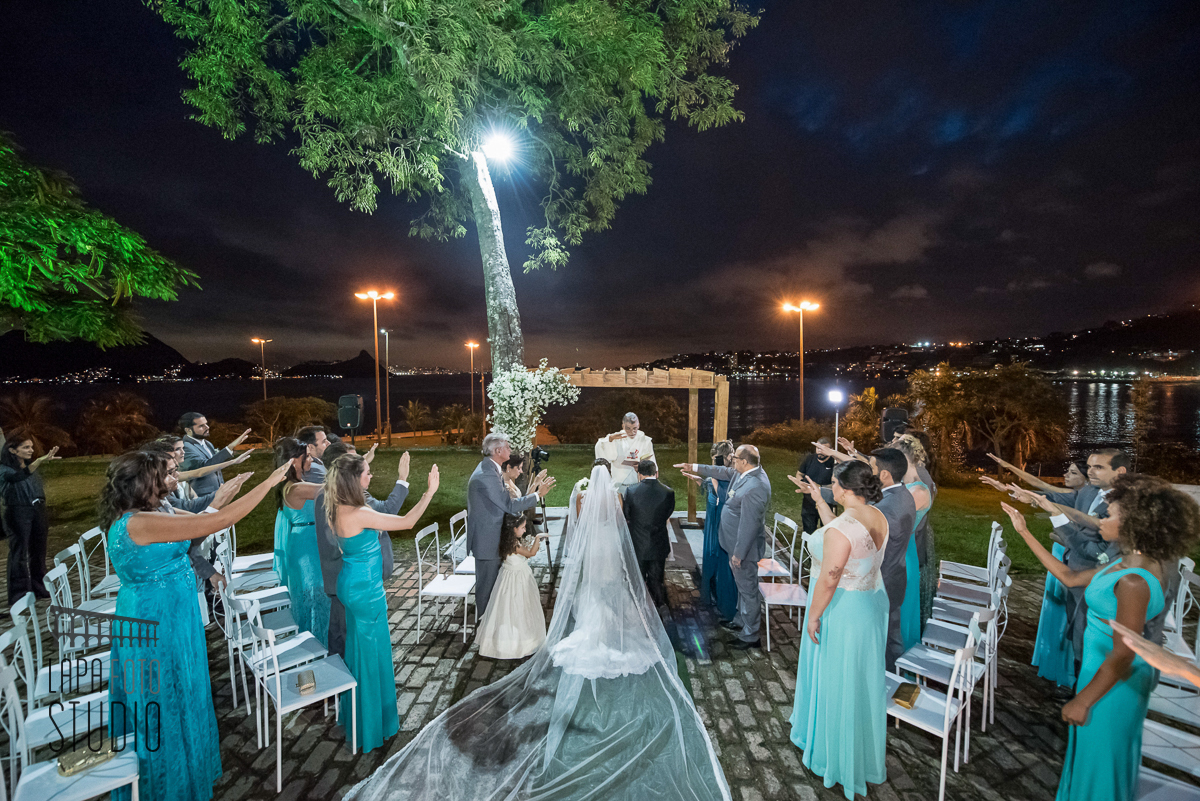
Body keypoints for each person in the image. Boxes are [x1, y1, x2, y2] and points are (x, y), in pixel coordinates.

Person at [341, 464, 730, 801]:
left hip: (590, 551)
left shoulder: (590, 498)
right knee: (609, 593)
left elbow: (581, 528)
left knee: (593, 596)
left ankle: (592, 625)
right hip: (611, 548)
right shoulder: (619, 499)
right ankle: (606, 626)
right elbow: (621, 525)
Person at [101, 449, 293, 801]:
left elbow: (199, 527)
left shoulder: (155, 513)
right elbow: (215, 522)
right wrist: (268, 483)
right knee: (163, 698)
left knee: (182, 691)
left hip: (174, 614)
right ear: (142, 484)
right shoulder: (138, 523)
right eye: (162, 476)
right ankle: (167, 788)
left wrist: (218, 500)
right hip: (154, 620)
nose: (171, 481)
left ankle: (188, 775)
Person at [1001, 475, 1200, 801]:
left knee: (1101, 765)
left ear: (1133, 524)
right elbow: (1069, 576)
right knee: (1091, 760)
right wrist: (1023, 530)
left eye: (1109, 515)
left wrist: (1083, 700)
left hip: (1113, 682)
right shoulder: (1125, 562)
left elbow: (1124, 653)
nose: (1100, 520)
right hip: (1099, 669)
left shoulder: (1134, 581)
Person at [789, 461, 889, 800]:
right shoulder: (877, 516)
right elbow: (848, 539)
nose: (829, 487)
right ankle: (859, 749)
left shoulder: (843, 528)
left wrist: (813, 616)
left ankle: (834, 756)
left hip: (842, 611)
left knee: (839, 680)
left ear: (844, 489)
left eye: (832, 484)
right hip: (869, 605)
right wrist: (819, 501)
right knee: (859, 683)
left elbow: (831, 577)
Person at [327, 453, 440, 754]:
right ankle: (373, 726)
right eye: (366, 472)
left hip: (350, 583)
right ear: (354, 479)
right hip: (365, 590)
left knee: (358, 651)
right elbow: (408, 522)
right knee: (372, 655)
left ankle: (359, 717)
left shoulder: (337, 507)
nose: (371, 475)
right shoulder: (358, 513)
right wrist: (429, 492)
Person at [981, 458, 1088, 687]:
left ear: (1085, 479)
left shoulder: (1083, 499)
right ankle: (1061, 668)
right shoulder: (1076, 496)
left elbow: (1045, 493)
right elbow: (1042, 491)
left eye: (1073, 472)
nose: (1066, 475)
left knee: (1074, 621)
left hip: (1072, 561)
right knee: (1065, 617)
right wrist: (1008, 480)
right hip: (1065, 555)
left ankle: (1072, 675)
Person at [314, 442, 411, 657]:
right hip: (352, 576)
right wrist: (402, 479)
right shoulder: (346, 500)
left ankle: (350, 672)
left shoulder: (329, 492)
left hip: (342, 574)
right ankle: (350, 675)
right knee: (347, 636)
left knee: (344, 633)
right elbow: (388, 511)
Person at [677, 444, 771, 650]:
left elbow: (749, 525)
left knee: (748, 591)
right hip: (732, 542)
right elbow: (721, 471)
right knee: (742, 588)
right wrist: (693, 466)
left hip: (743, 550)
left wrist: (738, 554)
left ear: (744, 461)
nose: (731, 460)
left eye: (735, 457)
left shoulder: (756, 486)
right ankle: (740, 620)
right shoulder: (743, 473)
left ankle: (751, 635)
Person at [467, 433, 555, 617]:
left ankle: (494, 624)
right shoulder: (487, 474)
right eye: (507, 447)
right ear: (498, 451)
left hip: (492, 536)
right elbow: (508, 504)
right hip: (487, 541)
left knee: (495, 587)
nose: (510, 449)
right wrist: (538, 495)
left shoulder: (491, 468)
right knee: (487, 589)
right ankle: (483, 627)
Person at [272, 437, 330, 645]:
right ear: (295, 460)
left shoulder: (294, 485)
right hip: (307, 546)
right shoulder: (297, 488)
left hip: (305, 540)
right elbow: (334, 489)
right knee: (314, 593)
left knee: (313, 592)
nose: (311, 460)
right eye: (308, 457)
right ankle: (317, 643)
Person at [868, 447, 916, 671]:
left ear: (884, 474)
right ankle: (897, 675)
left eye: (872, 468)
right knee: (892, 637)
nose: (869, 472)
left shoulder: (886, 508)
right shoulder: (903, 494)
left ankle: (888, 681)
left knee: (882, 641)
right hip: (896, 575)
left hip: (882, 580)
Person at [475, 513, 546, 659]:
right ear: (513, 529)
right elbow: (531, 553)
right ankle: (519, 642)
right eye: (522, 527)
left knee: (506, 607)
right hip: (516, 580)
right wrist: (538, 538)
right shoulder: (514, 545)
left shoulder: (507, 541)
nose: (525, 530)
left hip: (508, 576)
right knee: (518, 607)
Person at [1, 432, 59, 605]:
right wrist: (39, 461)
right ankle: (19, 595)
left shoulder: (28, 466)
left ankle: (39, 588)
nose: (31, 450)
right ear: (12, 450)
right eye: (26, 447)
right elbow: (17, 477)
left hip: (37, 510)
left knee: (38, 552)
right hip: (18, 512)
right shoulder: (4, 469)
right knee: (19, 554)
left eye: (31, 447)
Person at [891, 438, 930, 650]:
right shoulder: (903, 486)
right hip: (895, 550)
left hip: (904, 554)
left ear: (905, 459)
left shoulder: (919, 491)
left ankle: (900, 658)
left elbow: (895, 521)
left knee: (902, 610)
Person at [623, 459, 676, 609]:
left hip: (638, 543)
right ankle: (659, 607)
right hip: (658, 543)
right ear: (656, 473)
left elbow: (627, 514)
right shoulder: (668, 492)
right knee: (657, 580)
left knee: (637, 579)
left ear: (639, 474)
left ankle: (638, 608)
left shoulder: (631, 491)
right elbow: (668, 513)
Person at [695, 441, 738, 622]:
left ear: (728, 457)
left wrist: (712, 481)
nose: (715, 464)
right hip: (712, 521)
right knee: (712, 556)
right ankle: (711, 593)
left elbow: (724, 496)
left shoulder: (733, 475)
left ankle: (726, 605)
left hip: (724, 524)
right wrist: (703, 482)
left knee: (724, 563)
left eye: (717, 460)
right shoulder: (716, 474)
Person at [179, 412, 252, 496]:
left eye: (206, 424)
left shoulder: (208, 443)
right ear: (188, 430)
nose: (207, 427)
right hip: (201, 496)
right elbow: (203, 468)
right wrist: (230, 447)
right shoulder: (184, 447)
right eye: (201, 426)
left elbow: (216, 461)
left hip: (217, 492)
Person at [595, 412, 656, 491]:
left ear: (638, 425)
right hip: (619, 481)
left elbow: (651, 462)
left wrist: (642, 467)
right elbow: (601, 447)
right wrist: (610, 439)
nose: (632, 432)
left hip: (637, 481)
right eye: (628, 428)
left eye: (634, 428)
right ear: (623, 426)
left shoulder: (645, 440)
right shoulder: (616, 437)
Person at [796, 438, 835, 534]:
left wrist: (820, 487)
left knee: (827, 530)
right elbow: (799, 474)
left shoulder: (834, 463)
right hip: (808, 501)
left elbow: (837, 485)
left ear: (831, 450)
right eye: (818, 448)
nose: (820, 451)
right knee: (808, 530)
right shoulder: (810, 459)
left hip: (827, 502)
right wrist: (802, 483)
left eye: (823, 449)